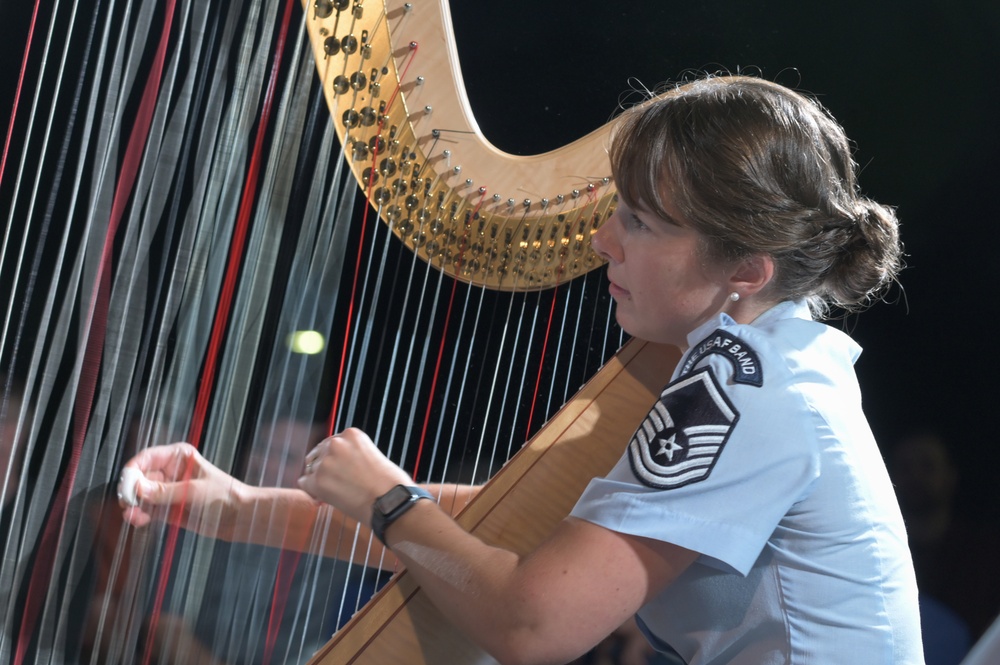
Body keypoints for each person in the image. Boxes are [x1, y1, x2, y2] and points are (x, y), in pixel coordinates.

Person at [121, 74, 923, 664]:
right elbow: (509, 528)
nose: (605, 242)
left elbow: (533, 625)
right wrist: (238, 507)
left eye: (639, 221)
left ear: (745, 269)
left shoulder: (747, 391)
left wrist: (390, 498)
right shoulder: (757, 364)